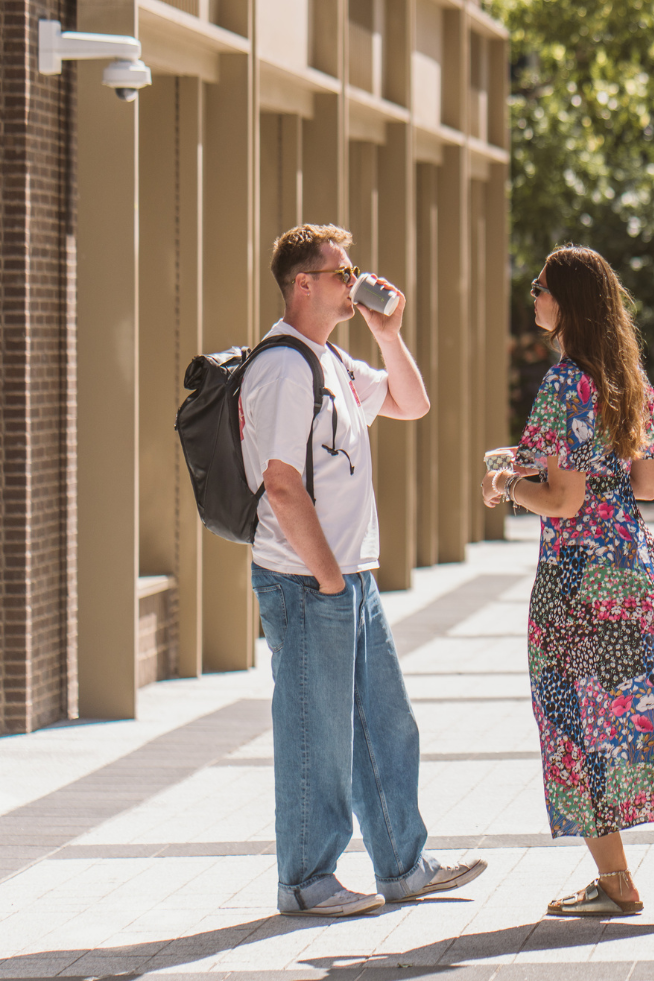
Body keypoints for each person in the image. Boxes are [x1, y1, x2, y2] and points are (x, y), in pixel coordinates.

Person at [482, 245, 654, 917]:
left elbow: (562, 499)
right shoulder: (629, 377)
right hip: (633, 566)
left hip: (576, 580)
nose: (533, 296)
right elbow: (647, 483)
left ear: (565, 301)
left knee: (573, 716)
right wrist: (553, 468)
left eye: (539, 286)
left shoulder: (564, 383)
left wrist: (508, 484)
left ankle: (616, 880)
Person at [243, 223, 486, 916]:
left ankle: (403, 865)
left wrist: (387, 333)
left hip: (350, 577)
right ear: (303, 284)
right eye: (342, 274)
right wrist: (325, 577)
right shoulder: (284, 368)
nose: (355, 282)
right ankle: (306, 881)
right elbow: (282, 483)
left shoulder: (333, 361)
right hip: (306, 580)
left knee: (384, 725)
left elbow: (412, 403)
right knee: (316, 735)